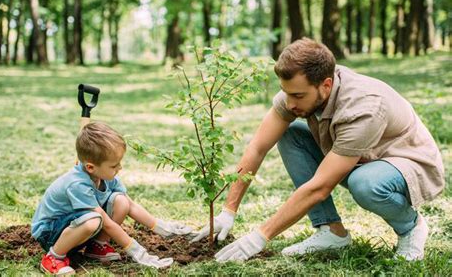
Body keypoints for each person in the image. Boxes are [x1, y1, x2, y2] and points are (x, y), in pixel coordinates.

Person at [191, 38, 445, 262]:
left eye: (298, 96)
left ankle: (411, 227)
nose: (290, 104)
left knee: (364, 184)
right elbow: (258, 146)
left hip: (406, 162)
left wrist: (260, 236)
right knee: (291, 135)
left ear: (325, 84)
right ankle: (331, 232)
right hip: (360, 156)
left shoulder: (363, 108)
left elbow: (320, 186)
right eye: (285, 93)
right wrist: (228, 210)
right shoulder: (297, 93)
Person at [31, 122, 192, 275]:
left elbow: (131, 205)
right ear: (90, 167)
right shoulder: (77, 184)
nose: (119, 168)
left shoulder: (105, 176)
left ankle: (97, 246)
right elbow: (106, 223)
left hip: (74, 226)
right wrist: (137, 251)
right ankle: (53, 257)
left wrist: (161, 227)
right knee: (93, 220)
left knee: (121, 201)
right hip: (50, 233)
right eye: (114, 165)